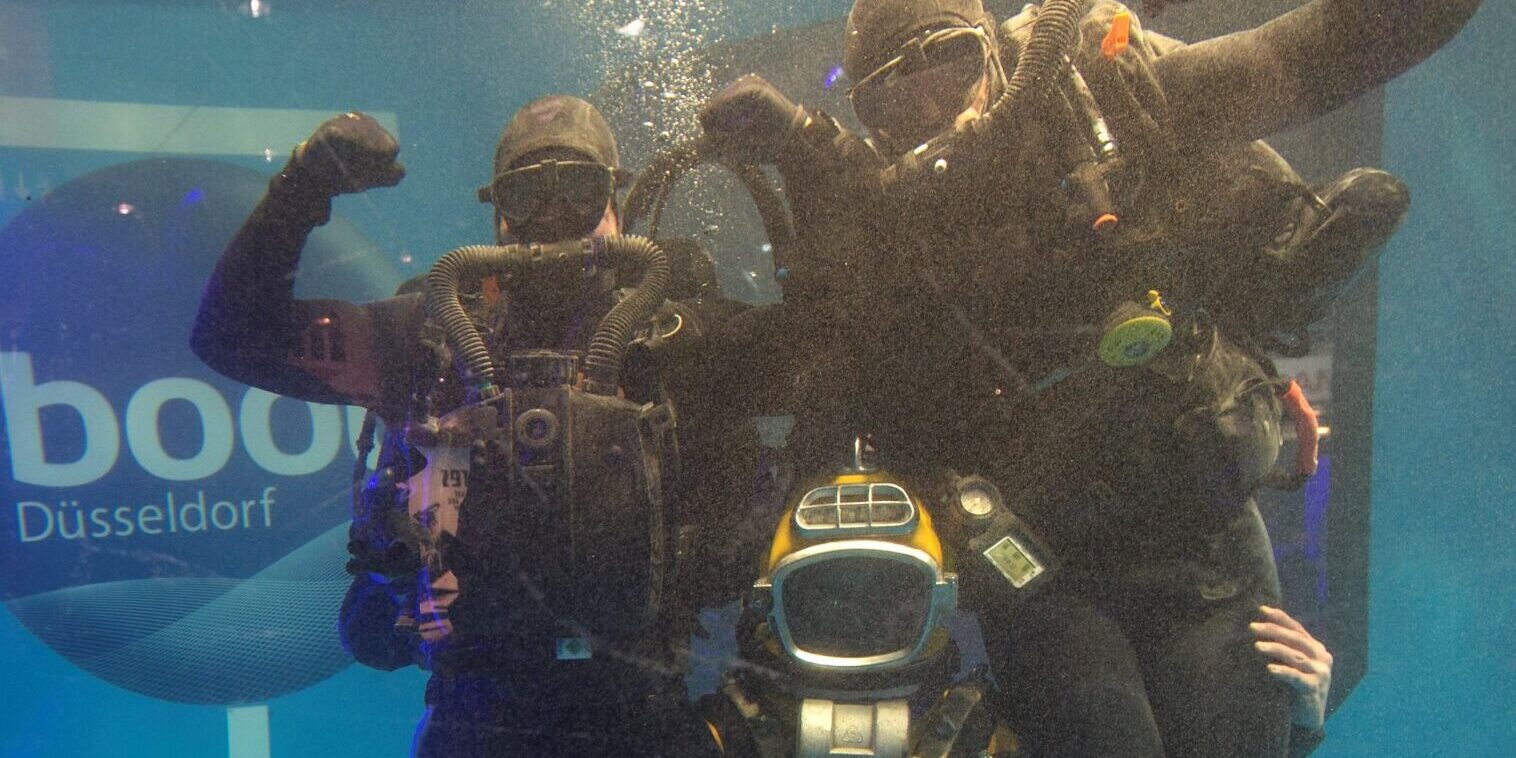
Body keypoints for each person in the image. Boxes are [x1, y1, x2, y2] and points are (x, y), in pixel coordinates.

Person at [694, 0, 1479, 755]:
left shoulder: (1107, 105)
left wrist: (1300, 721)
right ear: (869, 121)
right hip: (1044, 571)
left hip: (1199, 535)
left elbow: (1322, 49)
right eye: (893, 98)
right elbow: (823, 361)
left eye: (948, 64)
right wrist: (799, 150)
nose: (932, 113)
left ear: (997, 54)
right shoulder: (888, 229)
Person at [191, 96, 740, 757]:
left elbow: (852, 341)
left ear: (615, 198)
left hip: (651, 716)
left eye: (580, 187)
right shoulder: (428, 339)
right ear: (497, 209)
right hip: (480, 718)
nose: (555, 214)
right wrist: (302, 189)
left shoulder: (674, 339)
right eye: (528, 191)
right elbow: (232, 335)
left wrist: (806, 149)